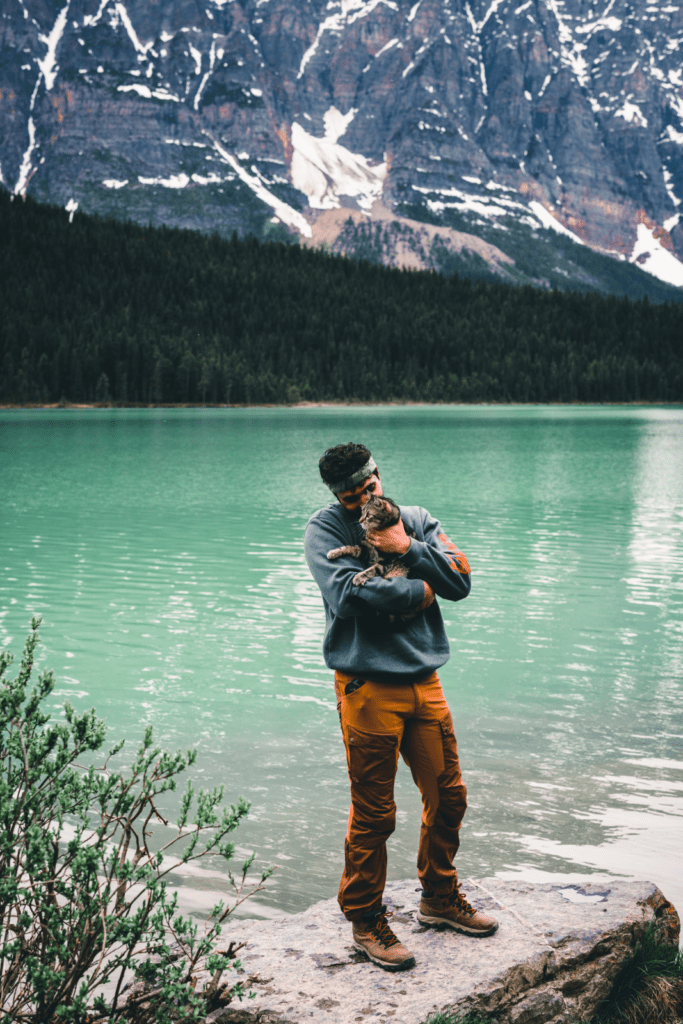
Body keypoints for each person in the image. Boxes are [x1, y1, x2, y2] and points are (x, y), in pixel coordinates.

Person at [304, 442, 498, 972]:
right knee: (374, 814)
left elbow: (459, 581)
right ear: (337, 495)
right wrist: (421, 591)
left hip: (425, 683)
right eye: (351, 497)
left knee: (449, 794)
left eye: (369, 488)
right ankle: (365, 922)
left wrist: (408, 549)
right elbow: (347, 597)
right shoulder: (324, 532)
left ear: (378, 476)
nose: (363, 501)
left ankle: (438, 897)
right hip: (366, 689)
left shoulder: (416, 520)